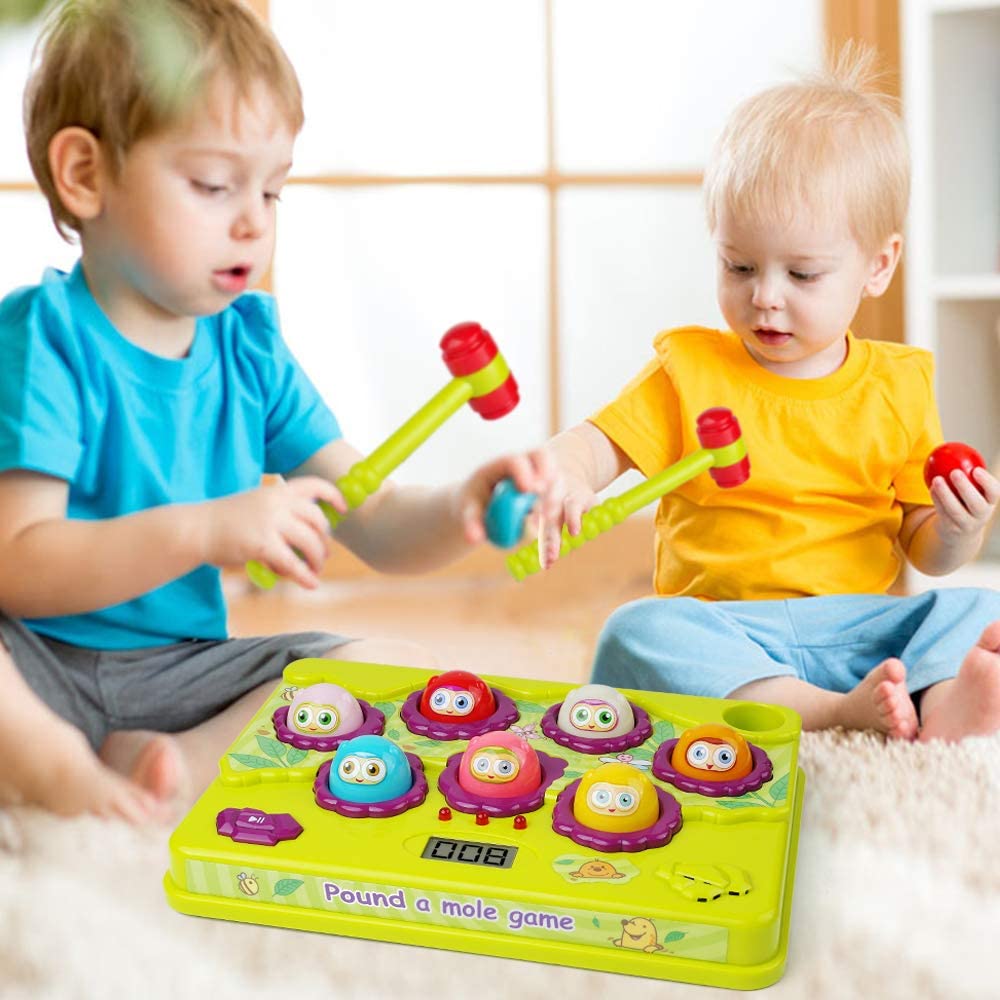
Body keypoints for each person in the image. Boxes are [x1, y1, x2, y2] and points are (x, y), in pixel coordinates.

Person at [0, 0, 556, 823]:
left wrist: (461, 508)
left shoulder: (249, 350)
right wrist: (205, 530)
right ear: (85, 174)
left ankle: (175, 769)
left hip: (184, 672)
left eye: (272, 190)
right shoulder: (43, 339)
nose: (253, 221)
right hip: (31, 664)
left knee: (400, 671)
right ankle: (53, 774)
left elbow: (373, 519)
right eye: (213, 185)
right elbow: (19, 564)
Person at [535, 45, 1000, 744]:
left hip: (861, 629)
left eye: (802, 275)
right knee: (638, 629)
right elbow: (594, 445)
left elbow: (922, 550)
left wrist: (958, 530)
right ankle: (829, 712)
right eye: (739, 266)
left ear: (878, 266)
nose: (765, 297)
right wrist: (567, 472)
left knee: (978, 608)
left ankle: (939, 707)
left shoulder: (899, 385)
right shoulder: (690, 369)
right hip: (725, 631)